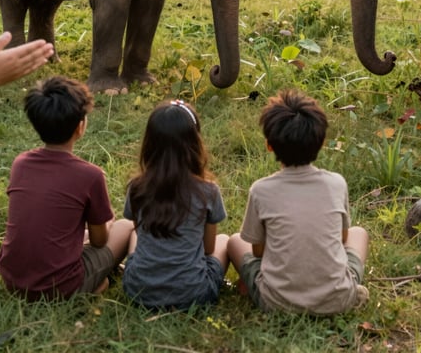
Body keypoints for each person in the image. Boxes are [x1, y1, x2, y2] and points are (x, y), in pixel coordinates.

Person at [228, 88, 369, 315]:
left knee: (235, 240)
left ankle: (251, 287)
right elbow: (342, 239)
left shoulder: (261, 190)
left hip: (276, 303)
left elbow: (258, 251)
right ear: (322, 142)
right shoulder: (337, 183)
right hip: (339, 299)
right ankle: (349, 289)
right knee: (359, 233)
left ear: (269, 145)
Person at [0, 75, 133, 301]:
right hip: (59, 286)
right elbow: (100, 241)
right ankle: (91, 285)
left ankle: (96, 283)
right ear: (80, 127)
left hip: (12, 280)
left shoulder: (20, 164)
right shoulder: (90, 175)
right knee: (125, 226)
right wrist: (106, 224)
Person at [122, 99, 229, 310]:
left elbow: (139, 230)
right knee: (224, 240)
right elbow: (208, 249)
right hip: (194, 293)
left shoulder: (136, 188)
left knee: (134, 233)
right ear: (195, 143)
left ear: (149, 144)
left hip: (139, 291)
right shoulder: (208, 191)